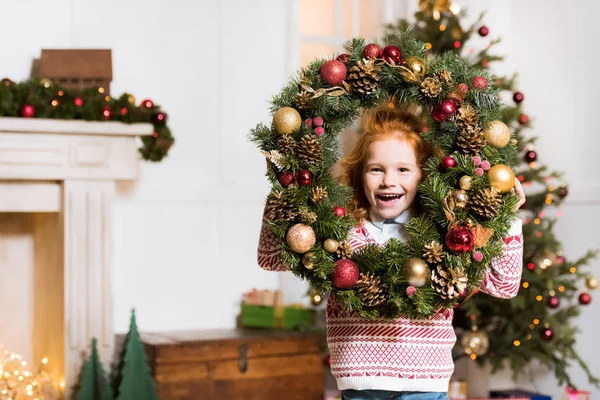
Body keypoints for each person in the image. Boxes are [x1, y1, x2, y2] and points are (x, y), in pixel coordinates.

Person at [257, 105, 525, 400]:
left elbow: (504, 285)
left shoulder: (445, 238)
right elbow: (270, 258)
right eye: (376, 169)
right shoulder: (341, 234)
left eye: (403, 169)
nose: (388, 180)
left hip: (424, 386)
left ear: (423, 176)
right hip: (359, 385)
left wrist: (506, 215)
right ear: (360, 175)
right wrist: (283, 191)